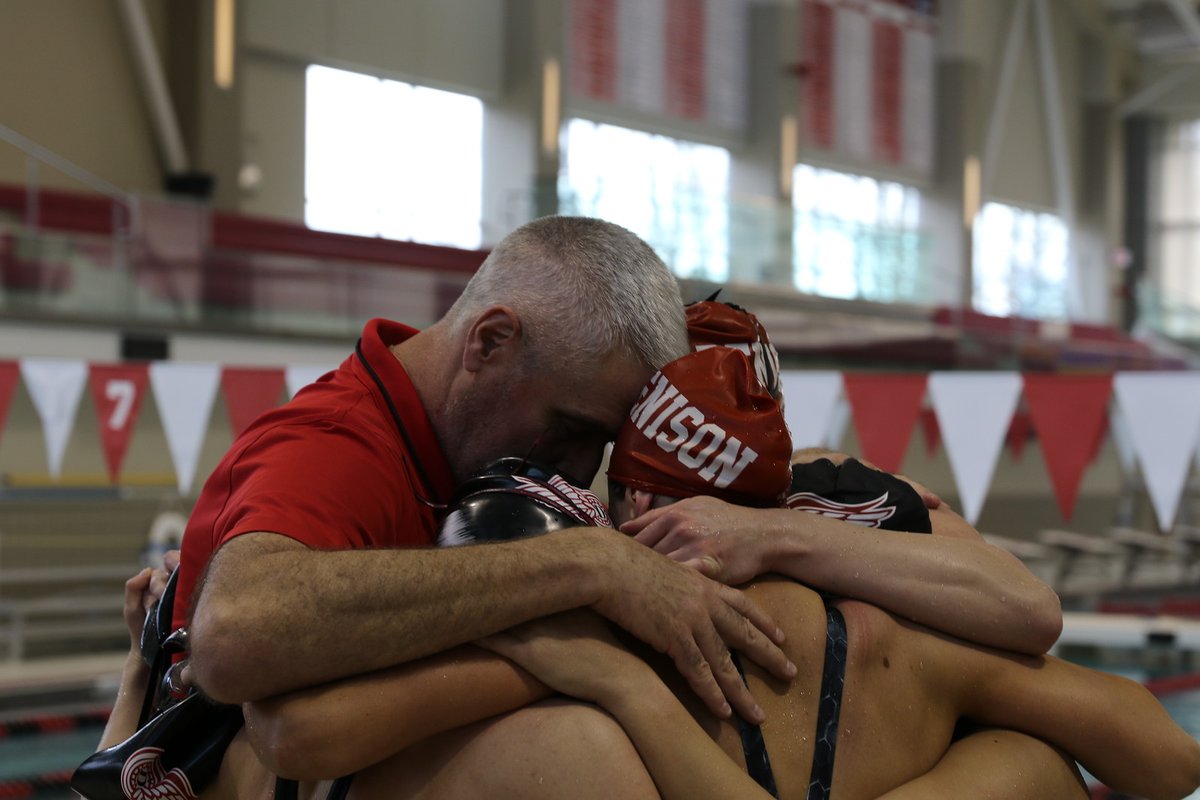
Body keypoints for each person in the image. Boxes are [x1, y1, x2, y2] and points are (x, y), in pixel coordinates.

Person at [176, 215, 795, 733]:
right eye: (570, 426)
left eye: (603, 443)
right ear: (490, 342)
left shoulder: (447, 454)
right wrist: (591, 565)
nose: (581, 469)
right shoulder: (336, 443)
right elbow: (232, 637)